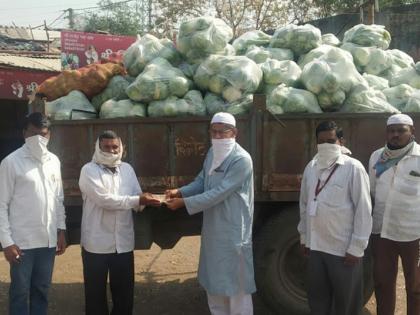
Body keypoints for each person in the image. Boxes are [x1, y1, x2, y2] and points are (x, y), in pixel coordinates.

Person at [165, 112, 255, 315]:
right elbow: (201, 181)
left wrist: (184, 203)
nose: (218, 136)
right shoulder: (213, 154)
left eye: (223, 132)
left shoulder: (242, 160)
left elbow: (218, 193)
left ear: (234, 133)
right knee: (214, 283)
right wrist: (179, 191)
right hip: (213, 230)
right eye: (214, 132)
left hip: (233, 232)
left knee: (236, 288)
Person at [78, 130, 160, 315]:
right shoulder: (88, 170)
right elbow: (105, 200)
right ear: (98, 148)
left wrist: (155, 201)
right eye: (106, 147)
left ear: (121, 147)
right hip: (96, 244)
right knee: (95, 297)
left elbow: (136, 197)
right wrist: (138, 201)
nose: (111, 151)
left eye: (115, 147)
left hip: (122, 244)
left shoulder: (127, 169)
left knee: (124, 296)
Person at [298, 121, 372, 315]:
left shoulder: (353, 168)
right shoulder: (311, 167)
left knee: (346, 304)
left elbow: (363, 209)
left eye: (330, 141)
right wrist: (305, 238)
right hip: (316, 248)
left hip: (343, 250)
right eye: (321, 141)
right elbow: (304, 205)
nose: (325, 145)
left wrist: (357, 247)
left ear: (341, 142)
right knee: (318, 300)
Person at [0, 112, 66, 315]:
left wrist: (61, 230)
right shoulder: (11, 163)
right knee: (20, 291)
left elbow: (58, 198)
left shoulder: (54, 161)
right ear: (24, 134)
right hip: (22, 243)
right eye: (33, 133)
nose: (39, 139)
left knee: (42, 289)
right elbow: (1, 204)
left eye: (43, 134)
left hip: (47, 241)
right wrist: (7, 242)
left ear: (50, 135)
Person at [369, 113, 420, 315]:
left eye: (401, 130)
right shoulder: (376, 157)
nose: (395, 135)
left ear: (412, 131)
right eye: (391, 131)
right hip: (382, 232)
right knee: (382, 285)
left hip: (413, 234)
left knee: (416, 287)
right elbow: (372, 190)